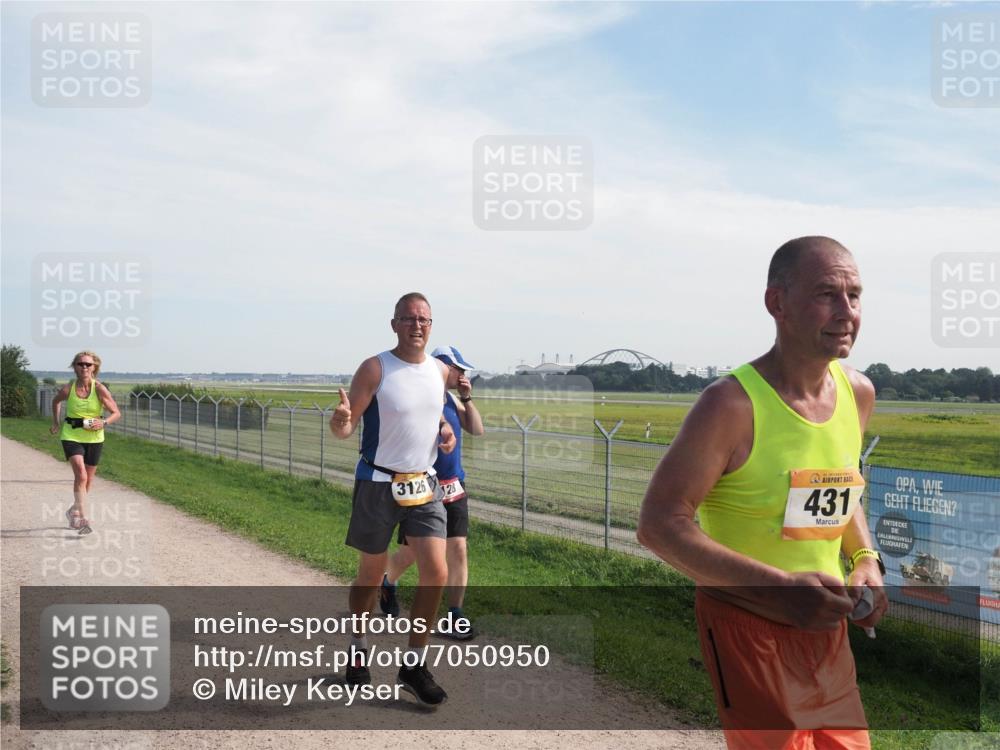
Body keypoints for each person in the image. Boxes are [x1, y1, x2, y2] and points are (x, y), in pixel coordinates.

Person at [637, 237, 888, 750]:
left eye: (855, 295)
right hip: (748, 626)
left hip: (824, 625)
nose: (847, 312)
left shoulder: (858, 393)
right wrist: (778, 589)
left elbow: (843, 490)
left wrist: (865, 560)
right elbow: (659, 524)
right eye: (827, 294)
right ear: (777, 302)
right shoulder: (730, 404)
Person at [329, 292, 456, 708]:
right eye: (408, 318)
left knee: (436, 571)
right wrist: (341, 422)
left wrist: (445, 431)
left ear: (431, 326)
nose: (416, 325)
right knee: (370, 575)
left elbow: (431, 412)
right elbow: (347, 427)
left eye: (423, 319)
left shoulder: (439, 371)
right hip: (378, 483)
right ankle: (357, 647)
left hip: (424, 485)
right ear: (394, 324)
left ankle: (413, 665)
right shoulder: (375, 368)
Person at [380, 345, 485, 640]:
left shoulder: (452, 398)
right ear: (441, 366)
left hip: (454, 485)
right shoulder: (420, 395)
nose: (462, 375)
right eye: (458, 369)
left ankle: (454, 614)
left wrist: (467, 398)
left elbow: (477, 429)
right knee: (411, 553)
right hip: (423, 486)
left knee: (458, 548)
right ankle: (387, 583)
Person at [49, 351, 121, 535]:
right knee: (81, 476)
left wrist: (104, 422)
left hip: (95, 438)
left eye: (88, 364)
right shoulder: (68, 389)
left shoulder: (99, 389)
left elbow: (116, 413)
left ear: (94, 367)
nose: (84, 367)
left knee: (87, 480)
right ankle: (83, 519)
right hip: (71, 435)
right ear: (74, 367)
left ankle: (74, 510)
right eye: (80, 364)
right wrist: (56, 422)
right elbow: (56, 402)